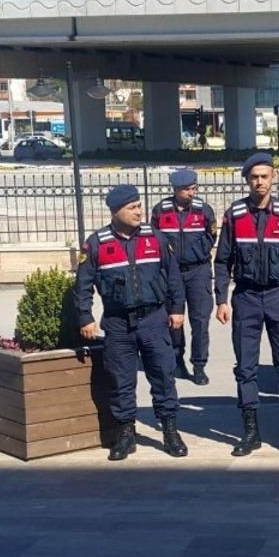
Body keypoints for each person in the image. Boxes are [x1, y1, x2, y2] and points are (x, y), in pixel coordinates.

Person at [75, 184, 187, 461]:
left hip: (154, 319)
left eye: (139, 205)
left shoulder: (156, 238)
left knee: (163, 376)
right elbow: (83, 285)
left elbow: (173, 277)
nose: (139, 211)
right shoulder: (97, 243)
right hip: (117, 323)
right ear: (115, 212)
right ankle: (126, 433)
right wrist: (85, 317)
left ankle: (170, 431)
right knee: (121, 380)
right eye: (132, 207)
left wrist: (177, 310)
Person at [214, 153, 279, 457]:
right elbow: (223, 259)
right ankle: (250, 432)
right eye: (254, 177)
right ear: (247, 180)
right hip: (246, 297)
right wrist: (221, 299)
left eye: (265, 176)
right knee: (246, 368)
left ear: (273, 178)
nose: (260, 182)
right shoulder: (235, 214)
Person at [150, 168, 217, 386]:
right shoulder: (161, 211)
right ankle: (177, 360)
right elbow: (155, 240)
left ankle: (199, 365)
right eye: (187, 189)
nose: (192, 192)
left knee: (200, 321)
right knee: (174, 321)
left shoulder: (203, 210)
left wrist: (198, 252)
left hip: (198, 271)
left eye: (194, 188)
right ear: (176, 190)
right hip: (172, 273)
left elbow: (211, 235)